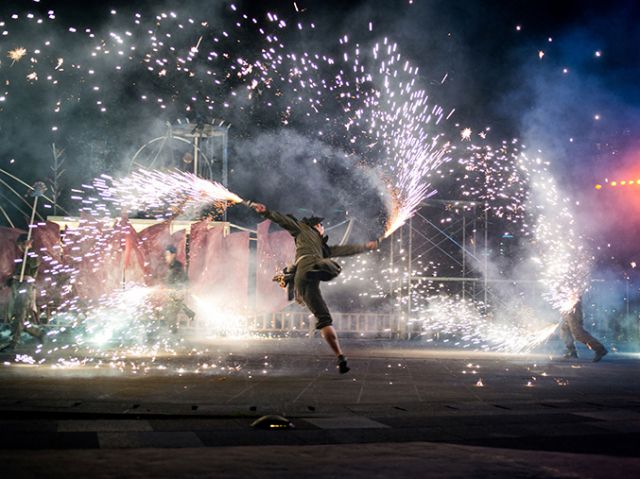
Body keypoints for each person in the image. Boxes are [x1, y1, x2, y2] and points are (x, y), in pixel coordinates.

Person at [250, 202, 378, 374]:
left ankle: (340, 357)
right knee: (335, 268)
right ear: (318, 225)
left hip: (302, 278)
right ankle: (315, 271)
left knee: (324, 319)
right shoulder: (303, 229)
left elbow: (343, 249)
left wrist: (364, 247)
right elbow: (285, 221)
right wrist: (267, 212)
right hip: (311, 263)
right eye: (322, 226)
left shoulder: (322, 248)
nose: (323, 229)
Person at [0, 234, 45, 352]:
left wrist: (29, 249)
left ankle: (12, 344)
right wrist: (10, 282)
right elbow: (19, 273)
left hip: (25, 287)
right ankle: (38, 333)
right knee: (13, 316)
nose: (20, 246)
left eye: (21, 244)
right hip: (17, 286)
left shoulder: (32, 255)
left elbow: (34, 263)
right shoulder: (22, 258)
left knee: (18, 316)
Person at [560, 298, 608, 362]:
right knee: (565, 329)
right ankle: (572, 352)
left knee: (578, 333)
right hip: (571, 308)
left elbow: (573, 294)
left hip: (573, 309)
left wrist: (567, 307)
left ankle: (599, 349)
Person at [160, 244, 193, 335]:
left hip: (176, 296)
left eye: (167, 254)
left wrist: (163, 283)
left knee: (170, 316)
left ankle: (174, 337)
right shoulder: (172, 266)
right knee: (166, 313)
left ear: (173, 255)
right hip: (173, 295)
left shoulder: (176, 266)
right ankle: (172, 334)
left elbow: (174, 280)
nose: (165, 257)